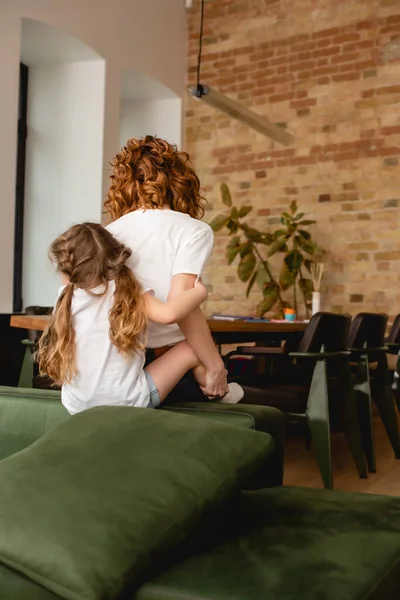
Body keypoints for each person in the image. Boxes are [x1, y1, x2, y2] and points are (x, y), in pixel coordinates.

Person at [37, 223, 241, 415]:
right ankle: (219, 393)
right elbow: (169, 314)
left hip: (76, 405)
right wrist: (199, 293)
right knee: (191, 348)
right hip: (128, 402)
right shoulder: (124, 291)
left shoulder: (65, 298)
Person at [104, 135, 243, 404]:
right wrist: (215, 366)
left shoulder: (109, 233)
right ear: (179, 180)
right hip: (174, 366)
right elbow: (181, 305)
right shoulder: (193, 229)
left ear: (124, 183)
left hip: (124, 360)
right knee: (217, 377)